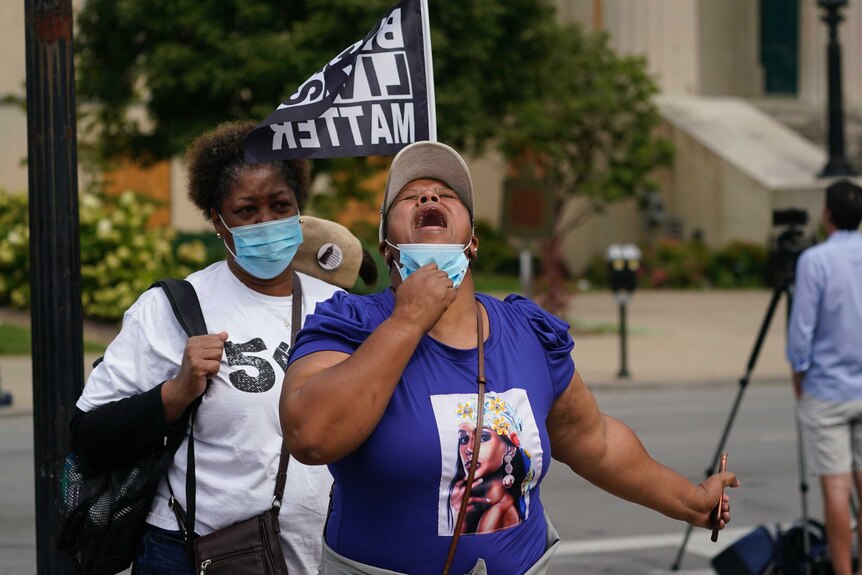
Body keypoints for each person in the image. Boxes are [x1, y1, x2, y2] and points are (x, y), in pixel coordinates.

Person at [280, 140, 739, 574]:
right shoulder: (350, 324)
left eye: (445, 194)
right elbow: (311, 435)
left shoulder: (528, 332)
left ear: (473, 242)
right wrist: (407, 322)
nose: (428, 199)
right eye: (410, 197)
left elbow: (595, 440)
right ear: (385, 247)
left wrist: (692, 501)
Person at [70, 120, 365, 574]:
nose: (266, 222)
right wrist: (177, 391)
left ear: (299, 210)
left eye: (280, 205)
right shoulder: (173, 308)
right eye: (246, 210)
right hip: (194, 552)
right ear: (217, 220)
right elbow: (88, 433)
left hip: (317, 551)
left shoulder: (340, 310)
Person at [787, 179, 862, 575]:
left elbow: (802, 330)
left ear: (827, 214)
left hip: (827, 390)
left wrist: (798, 373)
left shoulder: (814, 260)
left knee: (836, 490)